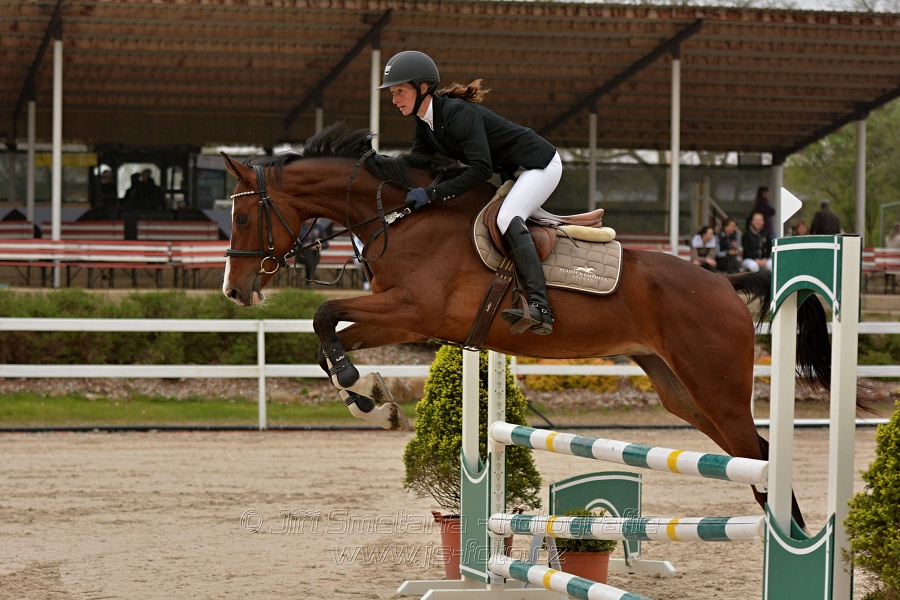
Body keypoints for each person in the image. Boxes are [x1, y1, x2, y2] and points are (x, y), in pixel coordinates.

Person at [379, 50, 560, 335]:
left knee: (506, 217)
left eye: (400, 91)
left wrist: (434, 194)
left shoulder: (457, 114)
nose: (394, 99)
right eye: (392, 92)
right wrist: (381, 169)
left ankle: (541, 307)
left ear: (423, 88)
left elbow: (480, 170)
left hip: (538, 164)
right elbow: (417, 165)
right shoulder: (425, 123)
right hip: (514, 171)